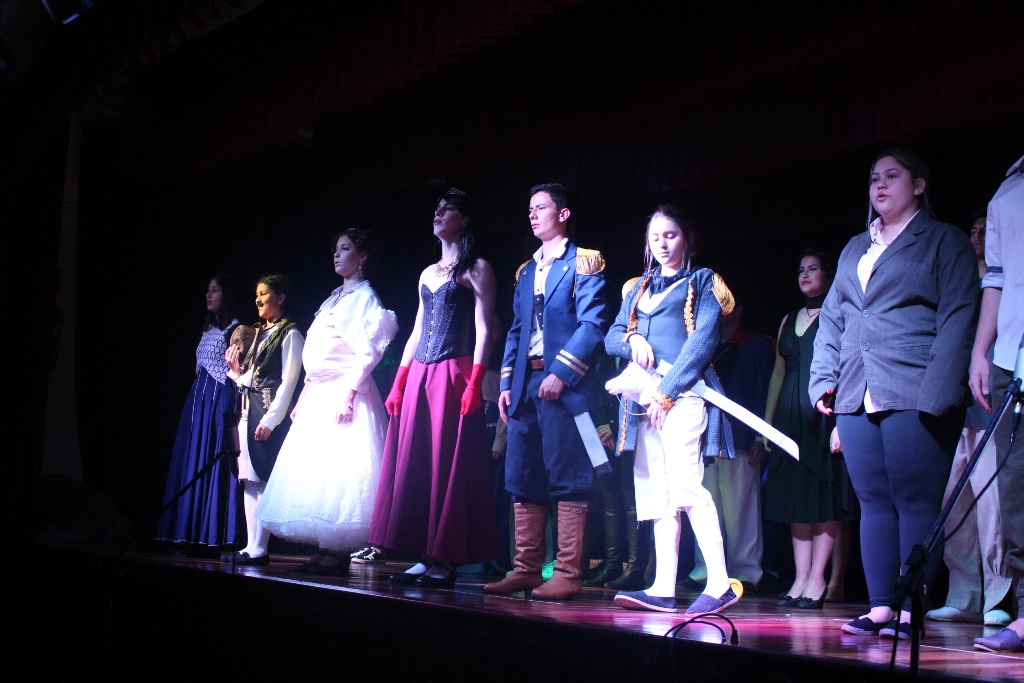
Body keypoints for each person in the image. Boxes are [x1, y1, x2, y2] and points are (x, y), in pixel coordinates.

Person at [809, 149, 978, 639]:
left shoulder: (943, 240)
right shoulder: (854, 248)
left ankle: (909, 610)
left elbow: (958, 316)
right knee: (873, 501)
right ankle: (881, 606)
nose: (880, 185)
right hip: (856, 390)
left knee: (915, 499)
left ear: (919, 185)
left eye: (892, 176)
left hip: (916, 387)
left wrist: (938, 391)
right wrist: (823, 380)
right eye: (873, 179)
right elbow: (832, 320)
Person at [604, 204, 741, 615]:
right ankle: (663, 586)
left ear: (687, 239)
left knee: (686, 487)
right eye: (655, 237)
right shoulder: (637, 288)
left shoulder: (703, 282)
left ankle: (720, 583)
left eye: (671, 235)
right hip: (643, 400)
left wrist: (666, 392)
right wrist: (632, 341)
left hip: (683, 396)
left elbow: (702, 341)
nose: (662, 244)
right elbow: (612, 336)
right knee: (657, 495)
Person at [485, 183, 609, 601]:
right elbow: (517, 330)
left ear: (563, 214)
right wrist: (507, 383)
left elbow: (592, 326)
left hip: (562, 386)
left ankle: (568, 573)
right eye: (530, 209)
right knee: (522, 477)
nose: (533, 215)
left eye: (541, 208)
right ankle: (525, 568)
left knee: (568, 477)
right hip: (525, 385)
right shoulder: (525, 271)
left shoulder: (584, 262)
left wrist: (561, 373)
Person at [369, 188, 497, 587]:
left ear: (465, 219)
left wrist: (476, 381)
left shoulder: (477, 268)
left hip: (454, 371)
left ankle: (445, 557)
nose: (438, 214)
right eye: (437, 209)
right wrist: (399, 381)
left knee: (448, 461)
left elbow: (485, 329)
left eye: (448, 209)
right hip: (421, 374)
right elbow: (416, 330)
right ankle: (425, 553)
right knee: (420, 459)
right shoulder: (427, 273)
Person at [255, 230, 398, 576]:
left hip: (343, 388)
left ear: (362, 256)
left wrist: (349, 393)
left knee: (339, 471)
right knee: (318, 469)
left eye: (345, 249)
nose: (337, 254)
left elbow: (369, 351)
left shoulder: (364, 297)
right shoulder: (334, 297)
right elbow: (318, 349)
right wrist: (304, 393)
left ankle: (337, 551)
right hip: (320, 390)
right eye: (335, 249)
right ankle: (324, 548)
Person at [751, 250, 856, 610]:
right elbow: (778, 373)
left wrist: (842, 420)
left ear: (828, 275)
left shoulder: (839, 313)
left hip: (822, 413)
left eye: (813, 269)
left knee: (822, 496)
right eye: (801, 270)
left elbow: (847, 369)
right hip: (789, 416)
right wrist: (765, 426)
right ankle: (800, 576)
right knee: (796, 498)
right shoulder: (788, 319)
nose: (805, 275)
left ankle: (818, 578)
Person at [926, 211, 1013, 627]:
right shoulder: (955, 278)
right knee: (953, 500)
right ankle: (964, 595)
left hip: (988, 397)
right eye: (972, 231)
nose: (976, 236)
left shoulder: (1000, 283)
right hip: (954, 401)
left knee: (990, 503)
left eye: (983, 231)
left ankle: (998, 593)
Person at [970, 155, 1024, 653]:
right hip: (1012, 357)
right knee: (1014, 489)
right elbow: (997, 278)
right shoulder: (1008, 192)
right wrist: (981, 352)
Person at [689, 300, 773, 595]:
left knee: (741, 509)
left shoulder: (754, 345)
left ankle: (745, 571)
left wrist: (760, 437)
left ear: (738, 309)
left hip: (740, 437)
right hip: (706, 436)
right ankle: (705, 569)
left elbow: (763, 390)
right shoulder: (705, 345)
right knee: (705, 504)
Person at [223, 275, 305, 565]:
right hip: (248, 411)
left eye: (264, 293)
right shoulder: (257, 333)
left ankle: (260, 547)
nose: (258, 299)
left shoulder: (290, 333)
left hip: (267, 413)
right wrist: (235, 371)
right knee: (249, 480)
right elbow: (250, 379)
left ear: (280, 297)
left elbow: (289, 381)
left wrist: (271, 420)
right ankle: (250, 545)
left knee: (263, 479)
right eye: (256, 294)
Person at [157, 275, 242, 550]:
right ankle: (186, 531)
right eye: (208, 290)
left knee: (213, 457)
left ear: (226, 295)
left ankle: (214, 535)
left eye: (214, 290)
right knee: (192, 458)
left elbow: (237, 371)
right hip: (198, 399)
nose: (208, 295)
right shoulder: (208, 329)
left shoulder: (235, 329)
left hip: (219, 397)